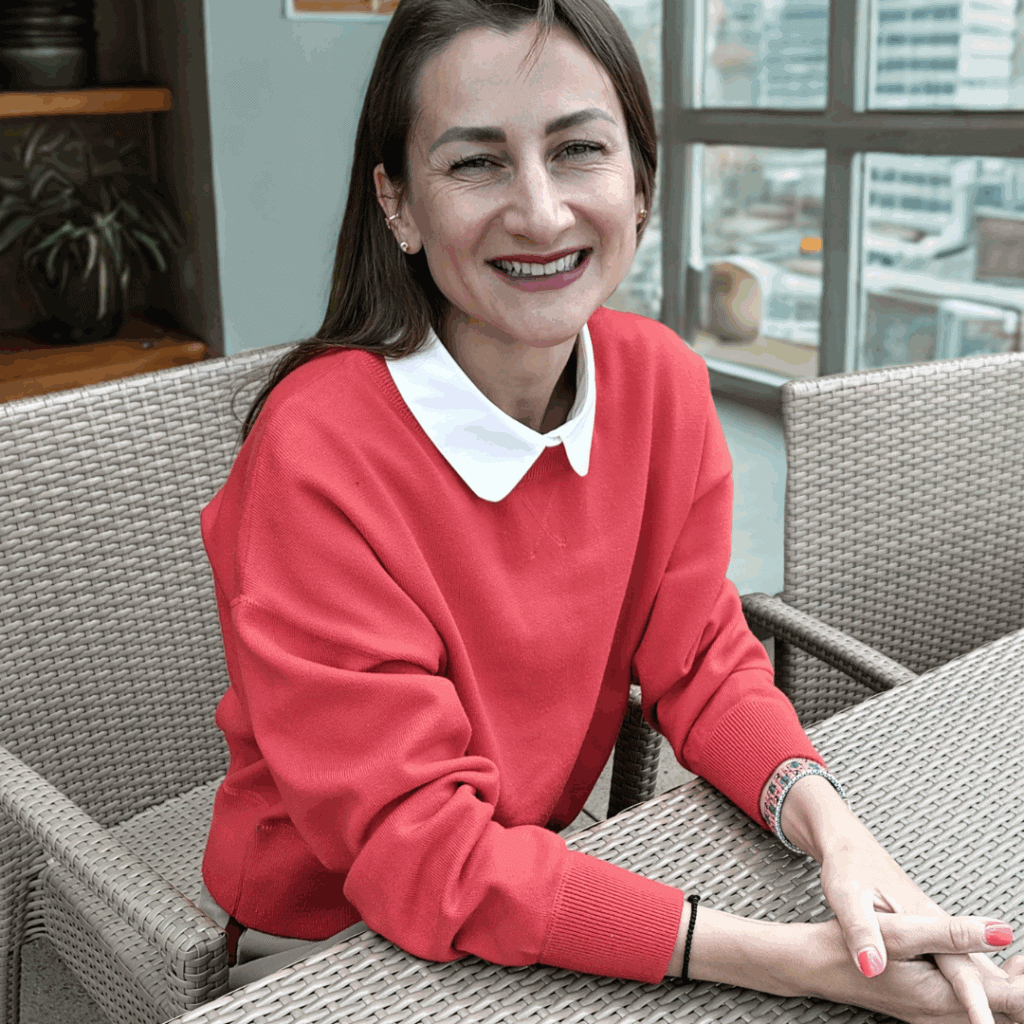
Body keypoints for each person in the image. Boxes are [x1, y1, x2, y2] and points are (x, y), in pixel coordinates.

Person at [196, 0, 1024, 1018]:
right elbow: (419, 852)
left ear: (640, 183)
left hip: (529, 877)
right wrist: (800, 961)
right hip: (334, 943)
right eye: (476, 163)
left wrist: (841, 839)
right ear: (397, 204)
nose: (541, 214)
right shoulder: (315, 450)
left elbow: (704, 664)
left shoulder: (662, 383)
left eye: (577, 149)